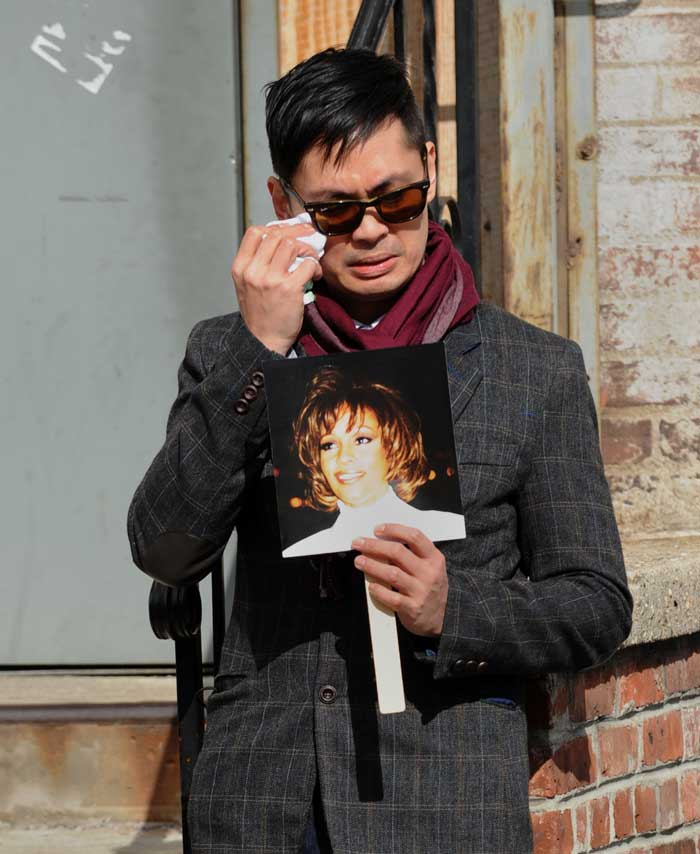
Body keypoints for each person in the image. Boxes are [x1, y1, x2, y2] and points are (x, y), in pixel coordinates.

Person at [127, 47, 632, 853]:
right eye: (333, 211)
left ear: (429, 169)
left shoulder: (533, 370)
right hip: (263, 798)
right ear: (281, 203)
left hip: (442, 798)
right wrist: (260, 350)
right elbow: (165, 546)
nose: (369, 231)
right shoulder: (232, 354)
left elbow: (596, 603)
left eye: (395, 199)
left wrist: (452, 608)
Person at [282, 366, 465, 557]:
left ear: (393, 447)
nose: (344, 456)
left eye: (361, 440)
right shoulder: (304, 551)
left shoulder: (446, 527)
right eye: (329, 445)